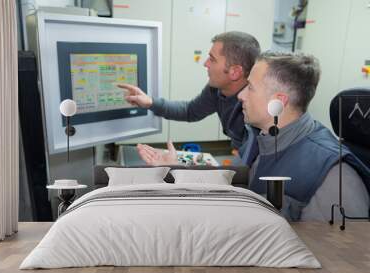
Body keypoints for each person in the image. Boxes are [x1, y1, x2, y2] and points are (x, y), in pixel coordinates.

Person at [138, 51, 370, 221]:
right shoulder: (260, 136)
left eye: (250, 87)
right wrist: (181, 170)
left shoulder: (337, 178)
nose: (240, 96)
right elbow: (237, 189)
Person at [118, 31, 261, 153]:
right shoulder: (216, 89)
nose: (205, 64)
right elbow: (190, 111)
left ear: (235, 72)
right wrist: (150, 102)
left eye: (212, 59)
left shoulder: (257, 106)